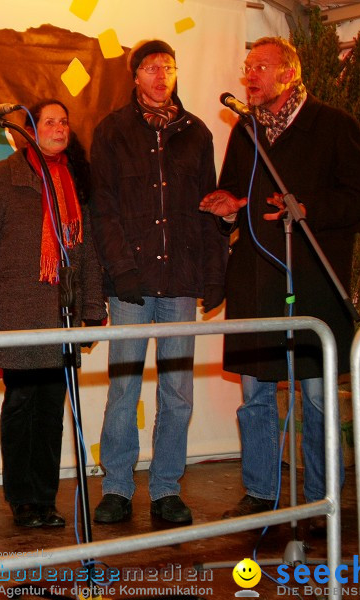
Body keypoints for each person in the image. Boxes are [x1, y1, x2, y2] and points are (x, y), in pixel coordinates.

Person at [199, 37, 360, 519]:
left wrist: (309, 210)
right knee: (255, 396)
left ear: (289, 74)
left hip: (312, 286)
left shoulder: (335, 127)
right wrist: (229, 205)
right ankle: (260, 492)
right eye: (246, 67)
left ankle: (325, 500)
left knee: (317, 399)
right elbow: (237, 189)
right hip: (255, 284)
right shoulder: (246, 129)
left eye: (259, 67)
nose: (249, 76)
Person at [89, 39, 227, 525]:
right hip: (131, 282)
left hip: (181, 280)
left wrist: (213, 275)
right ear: (134, 76)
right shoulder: (111, 131)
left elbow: (209, 207)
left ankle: (167, 487)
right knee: (124, 388)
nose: (161, 75)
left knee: (178, 391)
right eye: (151, 67)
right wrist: (120, 270)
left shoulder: (197, 133)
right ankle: (118, 488)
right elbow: (101, 208)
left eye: (169, 67)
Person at [0, 100, 107, 528]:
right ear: (30, 130)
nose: (59, 127)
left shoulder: (74, 180)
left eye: (64, 121)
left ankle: (45, 498)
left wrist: (90, 310)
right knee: (22, 405)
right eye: (49, 121)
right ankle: (22, 499)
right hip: (17, 313)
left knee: (51, 407)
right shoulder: (1, 178)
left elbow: (85, 252)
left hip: (59, 314)